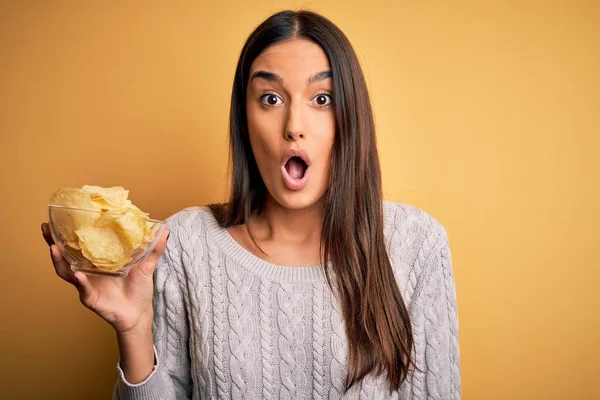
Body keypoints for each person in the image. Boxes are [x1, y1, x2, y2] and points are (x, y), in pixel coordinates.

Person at [42, 10, 460, 400]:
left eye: (322, 99)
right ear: (243, 118)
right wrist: (133, 330)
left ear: (351, 115)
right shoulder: (184, 243)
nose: (294, 126)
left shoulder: (416, 244)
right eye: (271, 99)